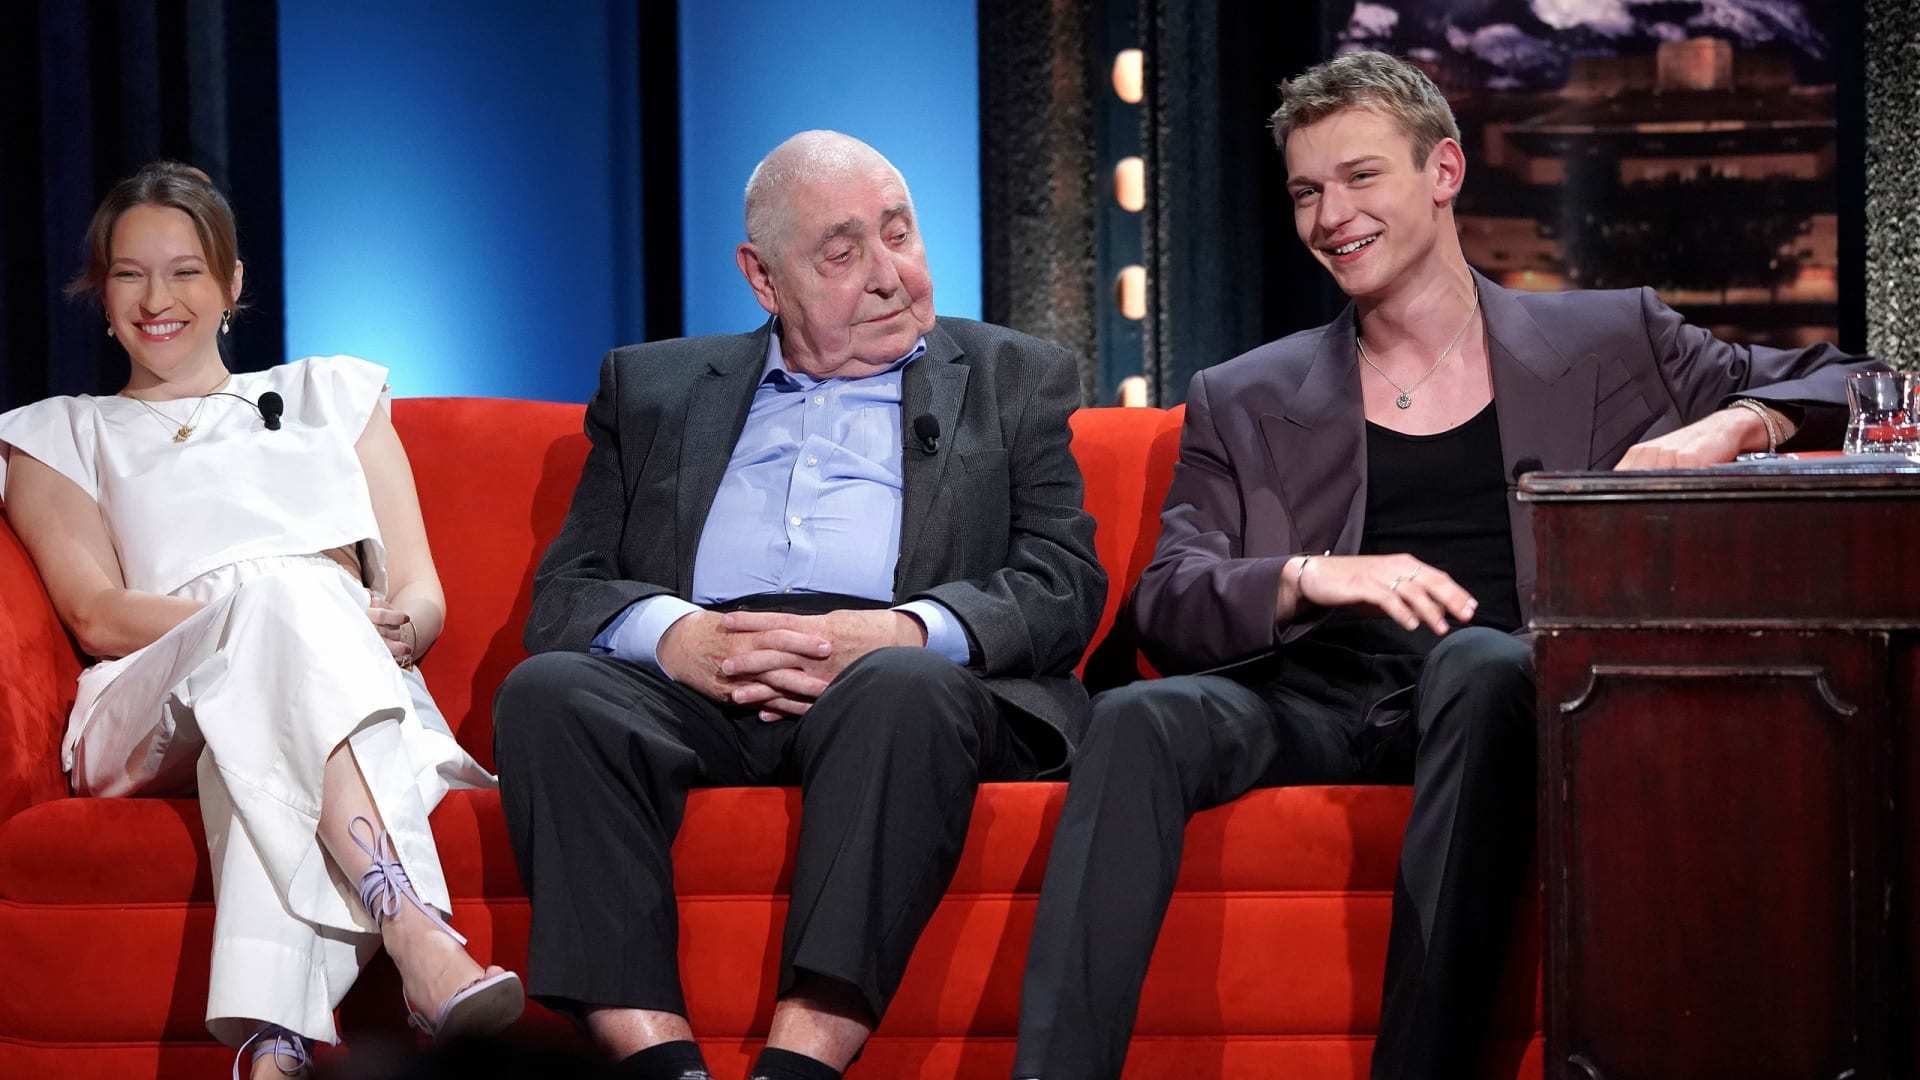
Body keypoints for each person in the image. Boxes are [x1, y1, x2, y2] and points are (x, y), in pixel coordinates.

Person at [1012, 50, 1881, 1080]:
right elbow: (1168, 600)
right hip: (1314, 696)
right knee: (1137, 717)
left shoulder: (1615, 338)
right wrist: (1307, 575)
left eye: (1360, 177)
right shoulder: (1243, 393)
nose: (1332, 216)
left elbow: (1856, 381)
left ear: (1444, 172)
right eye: (1307, 192)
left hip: (1499, 694)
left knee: (1478, 663)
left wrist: (1730, 425)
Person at [491, 130, 1105, 1080]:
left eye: (898, 233)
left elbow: (1063, 580)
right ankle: (657, 1060)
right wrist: (678, 636)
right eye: (842, 253)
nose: (889, 276)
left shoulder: (1013, 376)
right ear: (763, 278)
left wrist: (904, 631)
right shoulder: (651, 389)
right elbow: (567, 591)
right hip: (701, 681)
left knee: (903, 689)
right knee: (549, 694)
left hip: (892, 681)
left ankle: (801, 1062)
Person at [0, 162, 523, 1080]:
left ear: (233, 281)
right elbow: (96, 613)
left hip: (336, 680)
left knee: (254, 736)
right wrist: (267, 614)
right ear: (102, 293)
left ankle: (275, 1044)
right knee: (286, 603)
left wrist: (399, 628)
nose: (157, 300)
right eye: (129, 275)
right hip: (148, 695)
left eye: (185, 271)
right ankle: (411, 925)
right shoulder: (56, 432)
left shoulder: (333, 394)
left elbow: (419, 591)